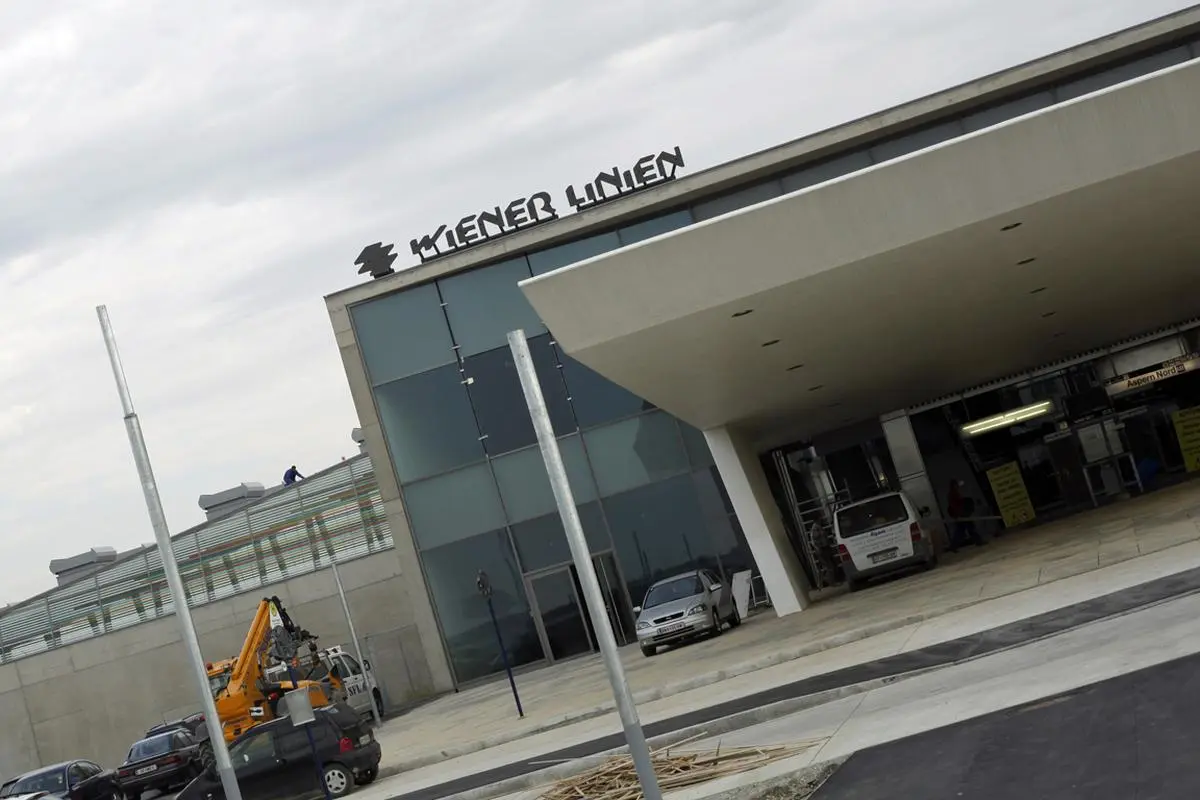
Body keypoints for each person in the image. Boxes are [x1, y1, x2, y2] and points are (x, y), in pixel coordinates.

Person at [946, 479, 984, 551]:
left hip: (960, 514)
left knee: (960, 531)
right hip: (961, 515)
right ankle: (978, 541)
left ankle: (953, 546)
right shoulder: (953, 494)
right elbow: (955, 505)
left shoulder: (953, 493)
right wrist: (959, 514)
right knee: (970, 528)